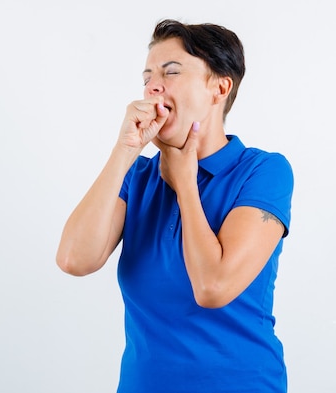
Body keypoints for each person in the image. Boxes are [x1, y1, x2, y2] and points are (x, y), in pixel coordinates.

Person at [56, 19, 294, 393]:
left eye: (171, 72)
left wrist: (185, 183)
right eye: (147, 76)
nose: (153, 86)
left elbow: (213, 287)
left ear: (219, 87)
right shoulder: (137, 176)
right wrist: (125, 150)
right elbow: (74, 259)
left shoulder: (263, 171)